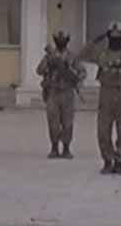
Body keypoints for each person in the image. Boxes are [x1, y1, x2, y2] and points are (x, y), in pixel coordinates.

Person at [78, 21, 121, 175]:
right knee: (103, 131)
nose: (115, 39)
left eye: (117, 36)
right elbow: (82, 54)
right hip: (106, 94)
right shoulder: (102, 54)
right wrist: (97, 39)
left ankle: (119, 160)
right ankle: (107, 160)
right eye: (112, 36)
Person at [35, 29, 85, 159]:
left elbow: (82, 73)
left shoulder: (72, 57)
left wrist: (70, 71)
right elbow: (39, 70)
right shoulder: (49, 56)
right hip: (53, 92)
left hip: (67, 93)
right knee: (53, 122)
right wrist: (49, 64)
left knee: (67, 122)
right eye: (58, 39)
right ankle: (54, 147)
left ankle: (66, 148)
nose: (60, 41)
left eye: (63, 39)